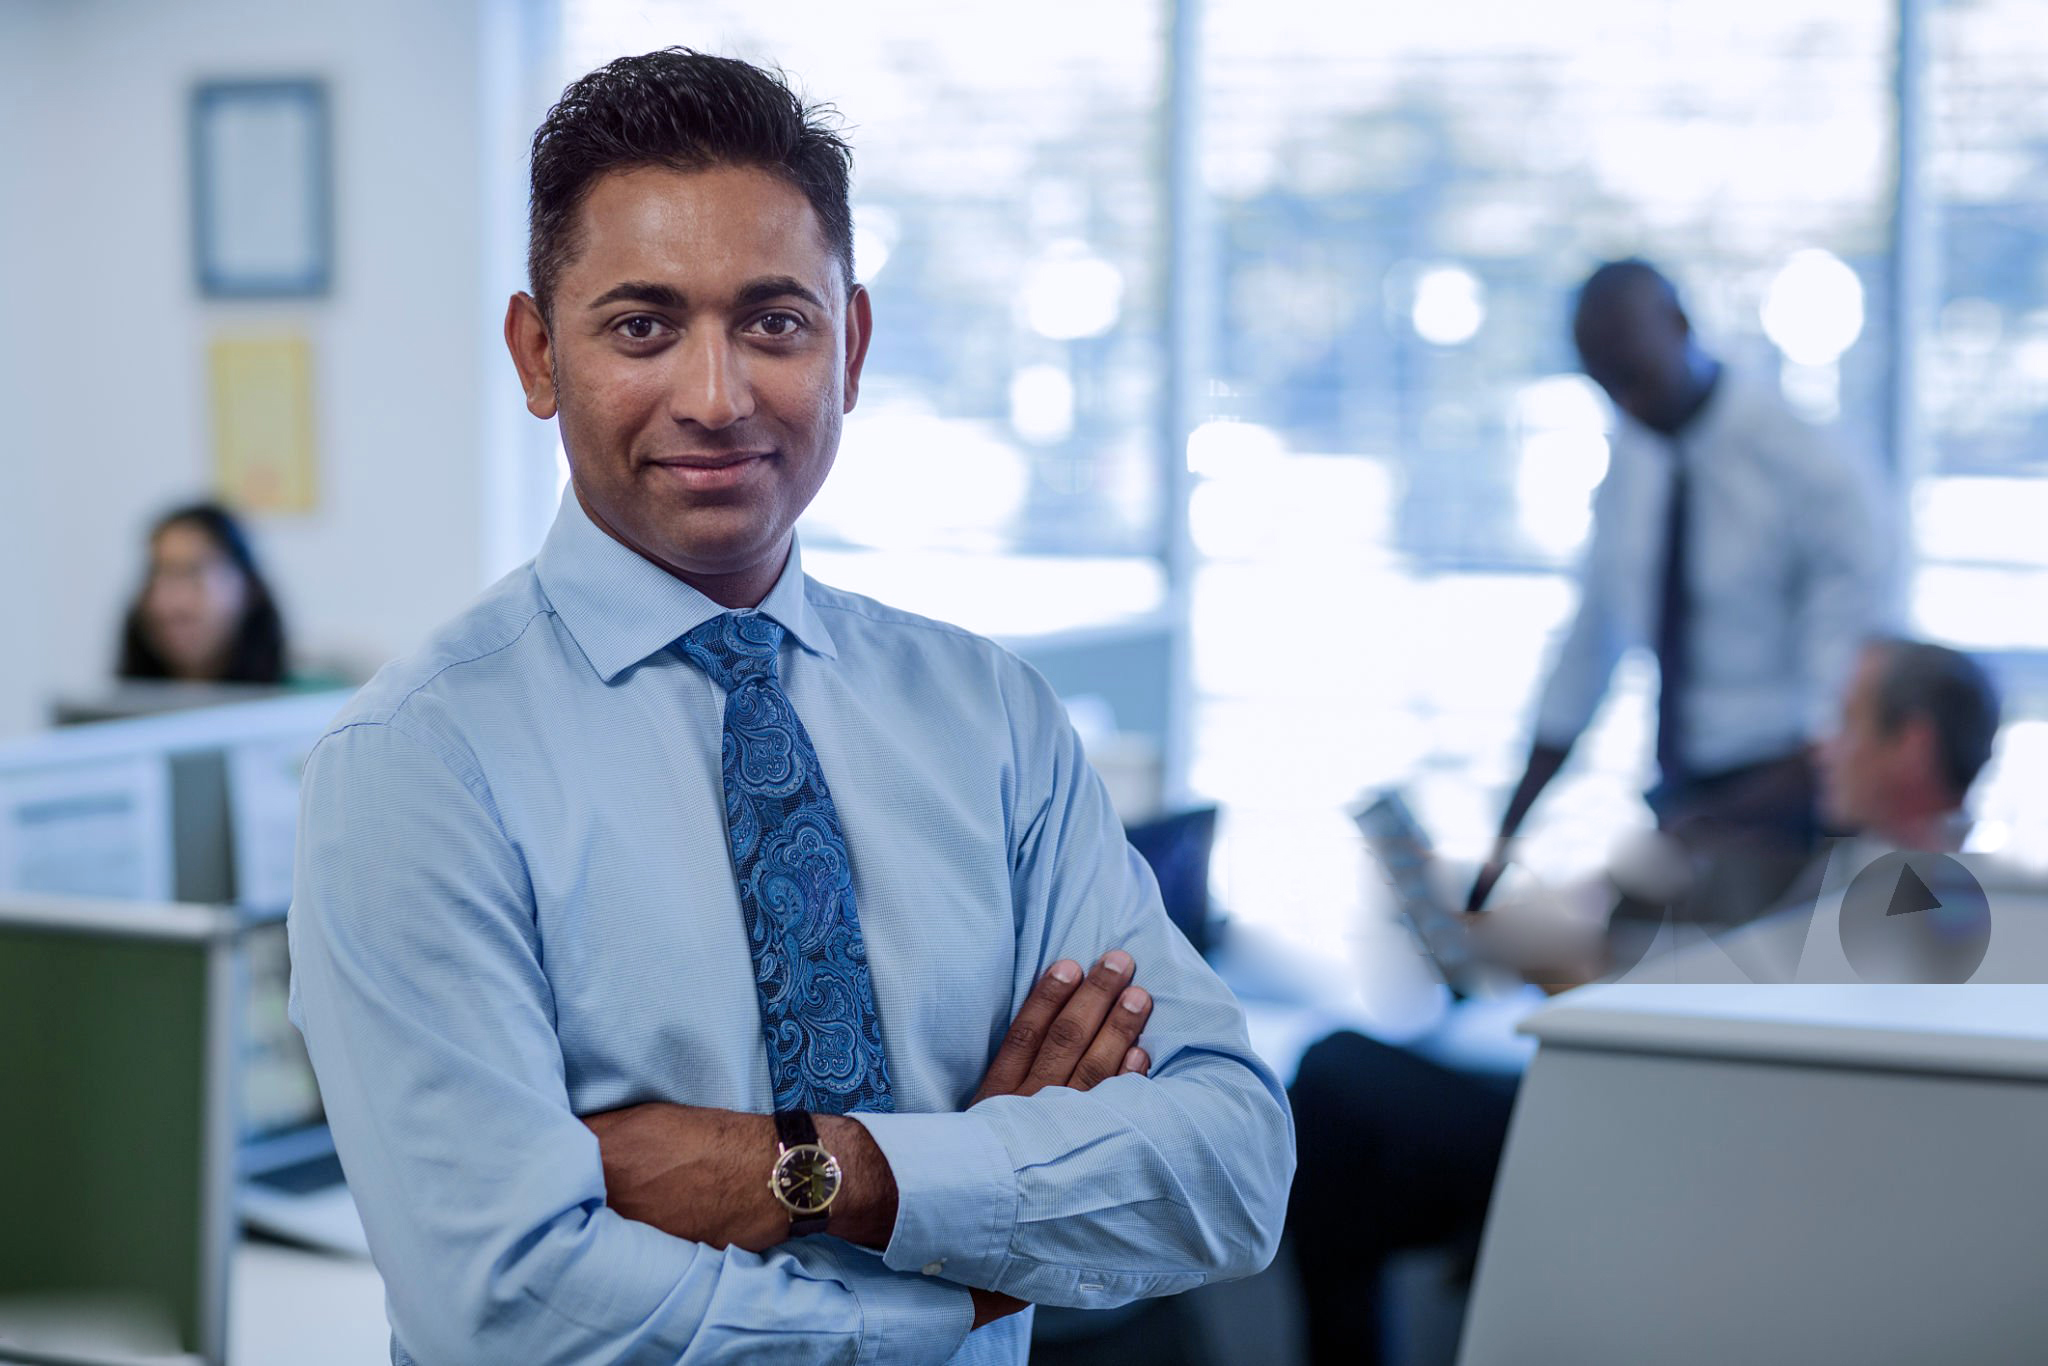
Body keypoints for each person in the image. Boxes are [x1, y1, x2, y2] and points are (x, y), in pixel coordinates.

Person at [287, 48, 1291, 1366]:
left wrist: (829, 1170)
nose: (718, 397)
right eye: (642, 325)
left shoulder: (993, 720)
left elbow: (1231, 1166)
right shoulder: (416, 764)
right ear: (540, 354)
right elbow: (512, 1307)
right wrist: (973, 1264)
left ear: (851, 343)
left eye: (773, 322)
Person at [1290, 635, 2001, 1365]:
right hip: (1659, 1128)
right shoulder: (1877, 876)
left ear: (1910, 748)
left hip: (1662, 1163)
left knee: (1333, 1080)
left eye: (1848, 721)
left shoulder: (1911, 902)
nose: (1824, 746)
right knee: (1353, 1150)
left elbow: (1713, 1035)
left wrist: (1572, 969)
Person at [1471, 260, 1889, 914]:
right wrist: (1501, 845)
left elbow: (1839, 718)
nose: (1624, 401)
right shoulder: (1632, 456)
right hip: (1682, 796)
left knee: (1620, 951)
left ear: (1681, 326)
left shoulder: (1810, 467)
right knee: (1565, 938)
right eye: (1604, 383)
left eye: (1633, 374)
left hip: (1786, 808)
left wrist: (1695, 831)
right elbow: (1585, 658)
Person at [118, 501, 287, 685]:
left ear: (249, 587)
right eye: (156, 575)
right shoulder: (109, 705)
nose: (168, 604)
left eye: (191, 573)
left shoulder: (307, 705)